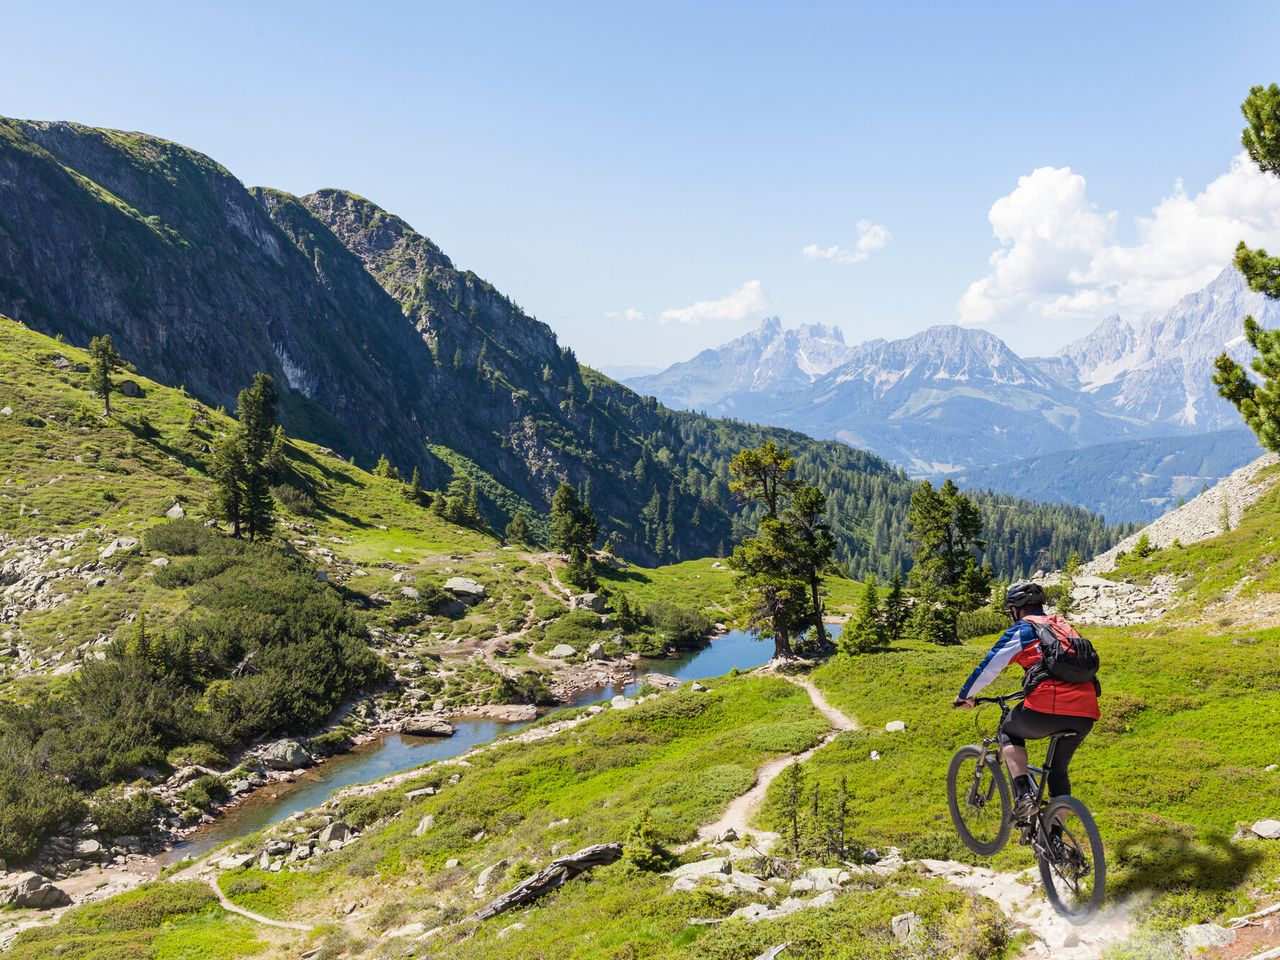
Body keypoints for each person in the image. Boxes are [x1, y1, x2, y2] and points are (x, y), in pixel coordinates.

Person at [953, 581, 1100, 829]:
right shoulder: (1063, 626)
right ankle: (1057, 841)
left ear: (1015, 610)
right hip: (1086, 712)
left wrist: (964, 695)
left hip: (1046, 708)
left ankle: (1023, 797)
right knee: (1057, 771)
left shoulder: (1023, 629)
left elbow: (989, 667)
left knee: (1008, 731)